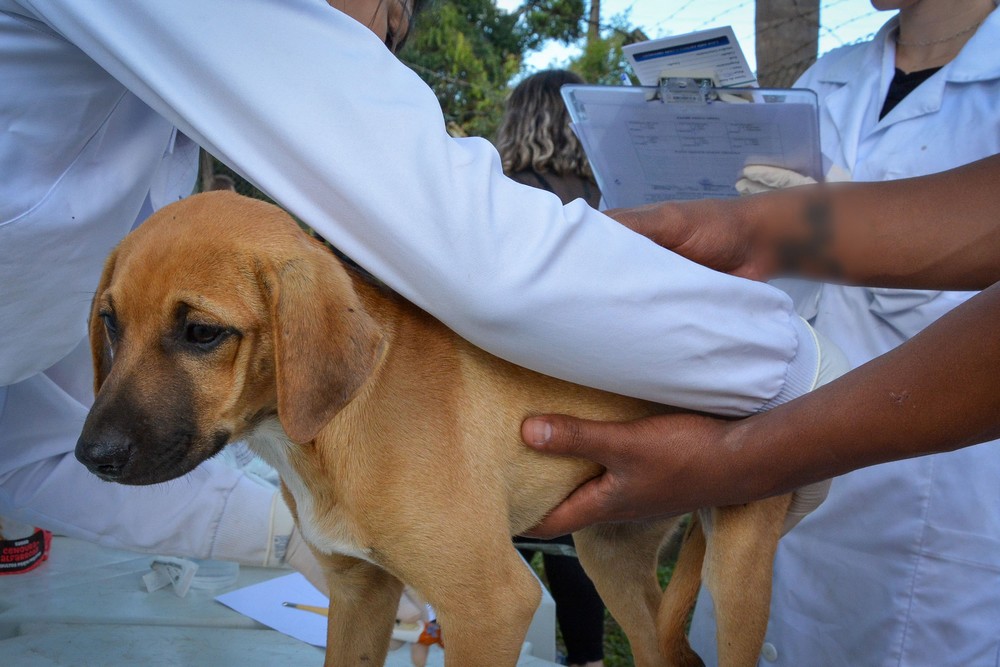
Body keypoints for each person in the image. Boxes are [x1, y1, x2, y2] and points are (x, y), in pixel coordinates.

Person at [1, 0, 836, 580]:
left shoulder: (149, 109)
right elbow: (475, 253)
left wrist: (293, 531)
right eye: (384, 28)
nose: (378, 56)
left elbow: (28, 444)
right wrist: (790, 368)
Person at [524, 153, 1000, 664]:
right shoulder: (841, 90)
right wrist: (758, 231)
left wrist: (743, 455)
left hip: (924, 509)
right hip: (773, 419)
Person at [495, 68, 606, 667]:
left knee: (494, 548)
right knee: (576, 547)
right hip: (589, 392)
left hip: (507, 394)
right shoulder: (608, 196)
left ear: (519, 119)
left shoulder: (504, 193)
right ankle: (587, 657)